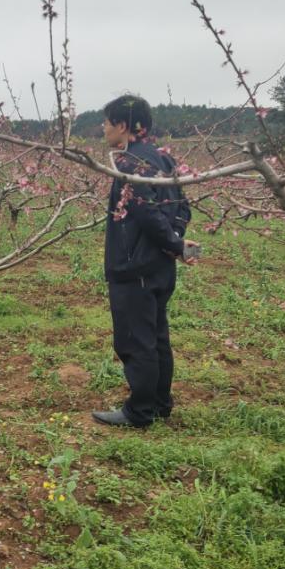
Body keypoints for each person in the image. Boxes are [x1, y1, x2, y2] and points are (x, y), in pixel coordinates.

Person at [93, 95, 198, 428]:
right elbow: (183, 207)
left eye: (108, 122)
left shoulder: (128, 165)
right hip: (160, 268)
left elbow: (146, 213)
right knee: (156, 337)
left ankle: (139, 412)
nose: (104, 128)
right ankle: (160, 404)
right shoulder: (165, 160)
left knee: (135, 340)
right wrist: (175, 243)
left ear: (123, 125)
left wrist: (174, 243)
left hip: (133, 268)